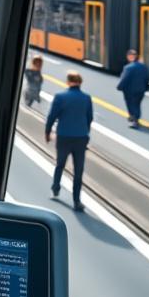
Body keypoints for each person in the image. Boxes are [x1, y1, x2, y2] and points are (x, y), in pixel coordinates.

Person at [45, 70, 94, 212]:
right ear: (80, 82)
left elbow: (52, 116)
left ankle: (55, 187)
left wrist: (48, 132)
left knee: (60, 164)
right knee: (78, 170)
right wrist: (84, 131)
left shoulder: (60, 97)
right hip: (81, 138)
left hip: (63, 136)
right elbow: (89, 117)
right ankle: (77, 201)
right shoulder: (86, 98)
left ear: (68, 81)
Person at [116, 49, 149, 128]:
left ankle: (134, 120)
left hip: (129, 91)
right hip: (141, 90)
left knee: (131, 105)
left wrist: (119, 87)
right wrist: (145, 87)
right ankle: (135, 118)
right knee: (137, 104)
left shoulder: (128, 67)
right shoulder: (144, 67)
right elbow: (147, 78)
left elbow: (124, 79)